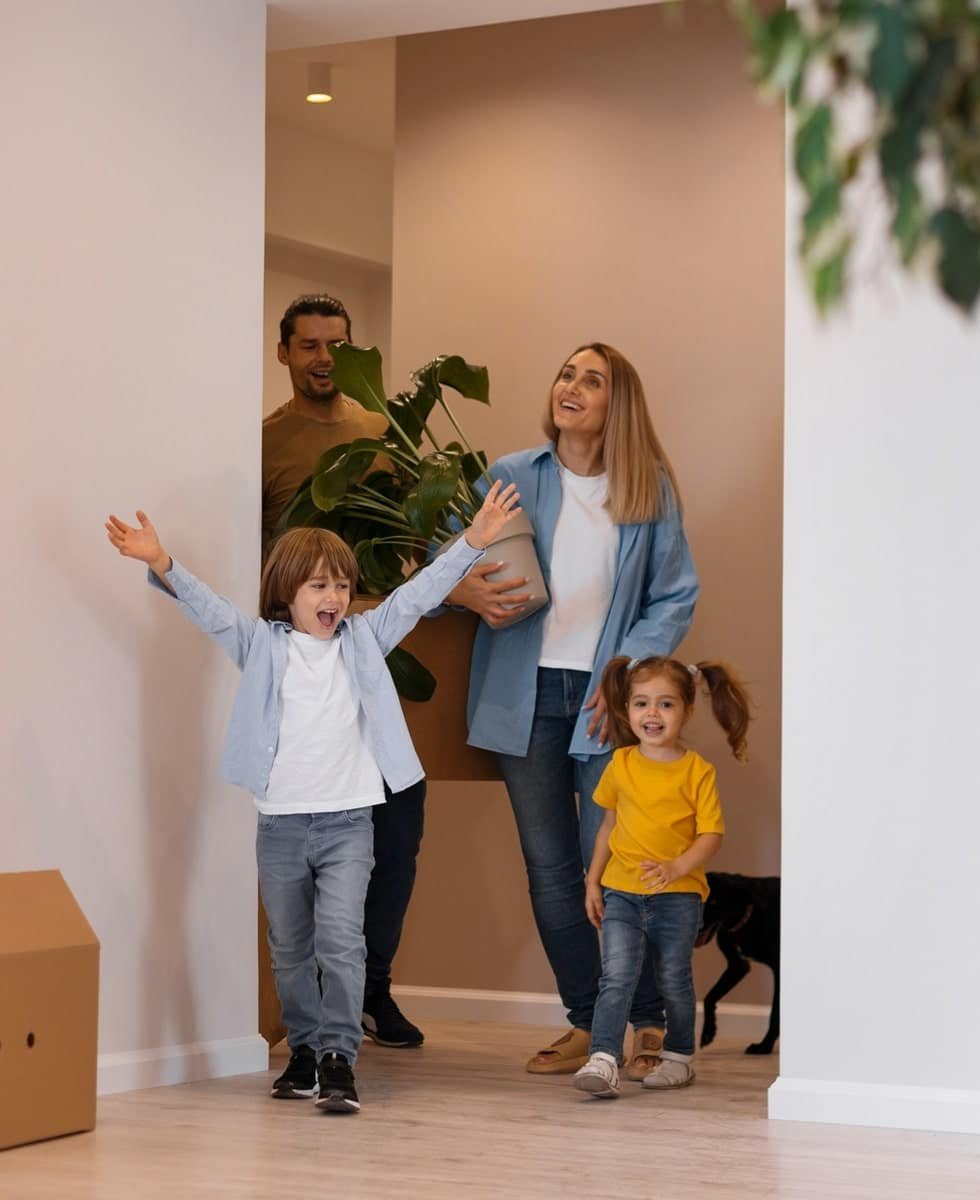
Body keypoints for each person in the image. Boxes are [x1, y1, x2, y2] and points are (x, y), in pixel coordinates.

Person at [105, 482, 521, 1113]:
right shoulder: (260, 646)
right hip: (280, 826)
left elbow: (418, 593)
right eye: (319, 586)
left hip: (349, 822)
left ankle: (338, 1058)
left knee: (342, 941)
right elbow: (210, 610)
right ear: (288, 594)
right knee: (291, 947)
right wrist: (161, 561)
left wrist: (473, 542)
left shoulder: (365, 639)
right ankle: (303, 1051)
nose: (334, 598)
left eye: (342, 586)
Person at [445, 343, 699, 1077]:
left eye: (593, 380)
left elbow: (674, 595)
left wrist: (620, 681)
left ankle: (645, 1022)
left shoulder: (647, 489)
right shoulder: (512, 476)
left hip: (603, 704)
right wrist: (465, 591)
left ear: (619, 404)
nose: (573, 387)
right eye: (566, 374)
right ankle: (591, 1023)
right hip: (521, 698)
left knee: (619, 864)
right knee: (550, 869)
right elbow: (446, 560)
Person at [263, 294, 425, 1050]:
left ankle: (372, 990)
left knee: (397, 829)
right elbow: (266, 574)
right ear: (284, 353)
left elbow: (413, 547)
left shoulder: (382, 433)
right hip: (303, 681)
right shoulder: (266, 443)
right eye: (309, 345)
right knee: (307, 854)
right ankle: (312, 1022)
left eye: (337, 344)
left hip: (378, 661)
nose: (325, 358)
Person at [573, 655, 751, 1099]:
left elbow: (711, 834)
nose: (652, 713)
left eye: (666, 704)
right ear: (627, 710)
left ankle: (678, 1058)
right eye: (641, 703)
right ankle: (603, 1058)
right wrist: (593, 882)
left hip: (678, 897)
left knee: (673, 977)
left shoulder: (697, 771)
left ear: (687, 711)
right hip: (622, 892)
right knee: (616, 976)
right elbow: (608, 827)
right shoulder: (620, 764)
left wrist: (676, 868)